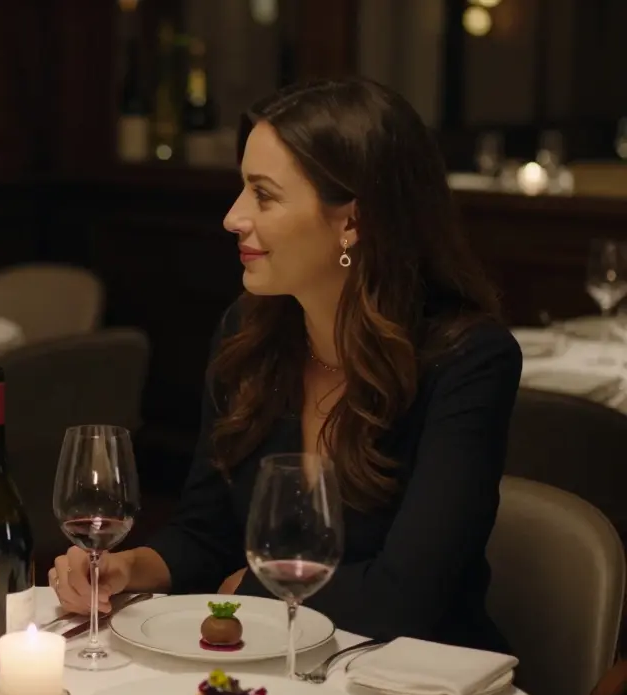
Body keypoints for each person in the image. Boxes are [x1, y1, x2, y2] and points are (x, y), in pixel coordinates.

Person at [50, 77, 521, 653]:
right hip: (280, 667)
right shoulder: (249, 333)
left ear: (353, 221)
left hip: (418, 685)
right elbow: (205, 532)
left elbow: (408, 599)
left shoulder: (467, 360)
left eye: (263, 195)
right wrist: (130, 569)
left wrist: (250, 589)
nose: (232, 217)